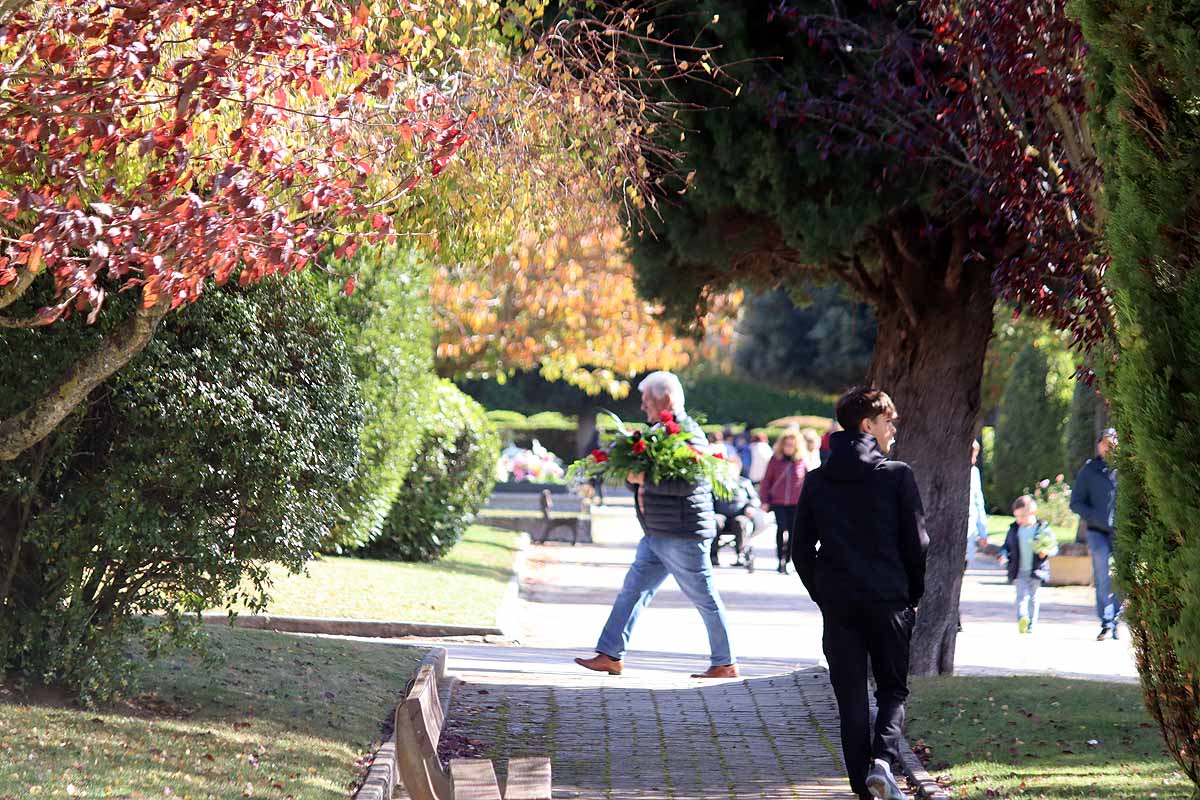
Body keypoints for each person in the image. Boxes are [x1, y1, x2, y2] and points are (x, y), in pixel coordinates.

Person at [792, 387, 928, 800]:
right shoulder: (897, 475)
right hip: (889, 600)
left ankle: (863, 789)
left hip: (840, 604)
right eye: (889, 422)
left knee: (850, 697)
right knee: (892, 689)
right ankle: (883, 762)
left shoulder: (817, 482)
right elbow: (918, 543)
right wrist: (912, 592)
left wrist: (823, 592)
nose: (893, 431)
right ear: (868, 425)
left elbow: (800, 550)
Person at [574, 371, 738, 679]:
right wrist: (633, 478)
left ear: (668, 399)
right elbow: (645, 481)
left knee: (704, 598)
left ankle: (725, 663)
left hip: (682, 533)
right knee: (632, 591)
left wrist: (645, 478)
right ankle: (610, 654)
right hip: (657, 532)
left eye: (648, 399)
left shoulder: (688, 432)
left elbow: (689, 483)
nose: (643, 406)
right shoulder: (657, 432)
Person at [1070, 427, 1121, 641]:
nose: (1108, 447)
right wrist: (1095, 517)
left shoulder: (1125, 468)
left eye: (1113, 442)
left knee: (1123, 578)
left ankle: (1115, 617)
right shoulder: (1089, 471)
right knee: (1102, 576)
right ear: (1099, 444)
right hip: (1097, 532)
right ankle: (1106, 622)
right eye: (1105, 442)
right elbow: (1076, 503)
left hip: (1121, 533)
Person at [1000, 495, 1058, 634]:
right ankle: (1022, 618)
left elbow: (1054, 547)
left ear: (1031, 513)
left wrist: (1046, 551)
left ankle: (1031, 624)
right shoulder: (1014, 530)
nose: (1018, 519)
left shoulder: (1042, 529)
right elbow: (1006, 546)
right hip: (1019, 570)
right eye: (1016, 516)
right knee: (1021, 597)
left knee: (1033, 598)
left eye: (1021, 516)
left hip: (1036, 570)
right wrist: (1003, 555)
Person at [760, 428, 808, 574]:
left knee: (794, 532)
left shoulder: (801, 461)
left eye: (792, 445)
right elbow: (766, 481)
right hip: (778, 502)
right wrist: (764, 500)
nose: (789, 447)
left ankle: (788, 560)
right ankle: (780, 559)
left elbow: (807, 482)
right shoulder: (775, 460)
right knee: (782, 529)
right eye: (786, 444)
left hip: (796, 503)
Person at [960, 440, 989, 631]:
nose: (974, 459)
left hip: (969, 527)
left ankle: (955, 609)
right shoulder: (957, 470)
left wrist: (982, 530)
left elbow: (978, 501)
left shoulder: (974, 472)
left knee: (961, 569)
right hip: (958, 526)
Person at [711, 470, 761, 568]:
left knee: (741, 522)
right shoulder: (717, 483)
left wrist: (751, 506)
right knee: (715, 521)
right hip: (720, 514)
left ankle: (741, 554)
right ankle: (713, 555)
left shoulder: (745, 482)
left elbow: (755, 498)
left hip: (740, 515)